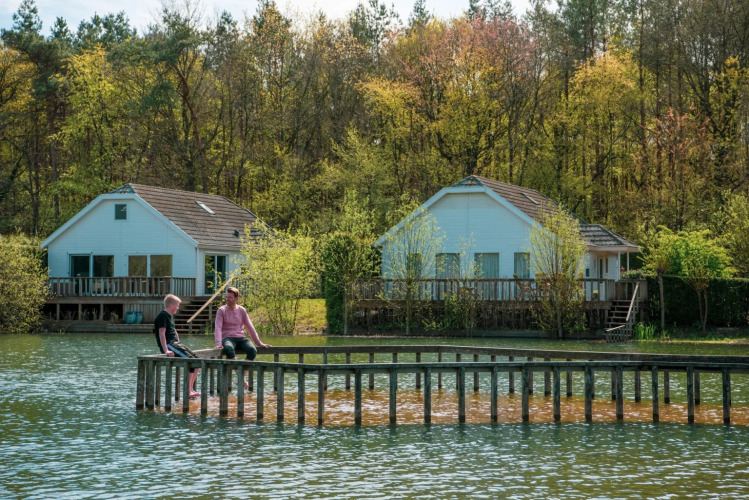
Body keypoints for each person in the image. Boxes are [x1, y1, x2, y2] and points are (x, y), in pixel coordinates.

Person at [154, 294, 201, 398]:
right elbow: (162, 333)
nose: (178, 307)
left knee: (197, 361)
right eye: (177, 305)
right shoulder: (162, 316)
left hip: (175, 344)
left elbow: (173, 331)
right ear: (171, 305)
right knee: (190, 361)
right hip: (169, 345)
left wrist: (179, 342)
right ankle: (188, 391)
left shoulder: (170, 316)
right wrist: (166, 350)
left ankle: (191, 388)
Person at [214, 287, 271, 365]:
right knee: (229, 348)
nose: (227, 299)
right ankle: (240, 375)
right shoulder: (221, 310)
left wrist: (259, 343)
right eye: (226, 297)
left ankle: (242, 374)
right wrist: (218, 343)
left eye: (230, 297)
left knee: (252, 350)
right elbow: (218, 327)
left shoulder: (242, 310)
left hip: (240, 337)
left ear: (236, 298)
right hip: (227, 338)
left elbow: (250, 327)